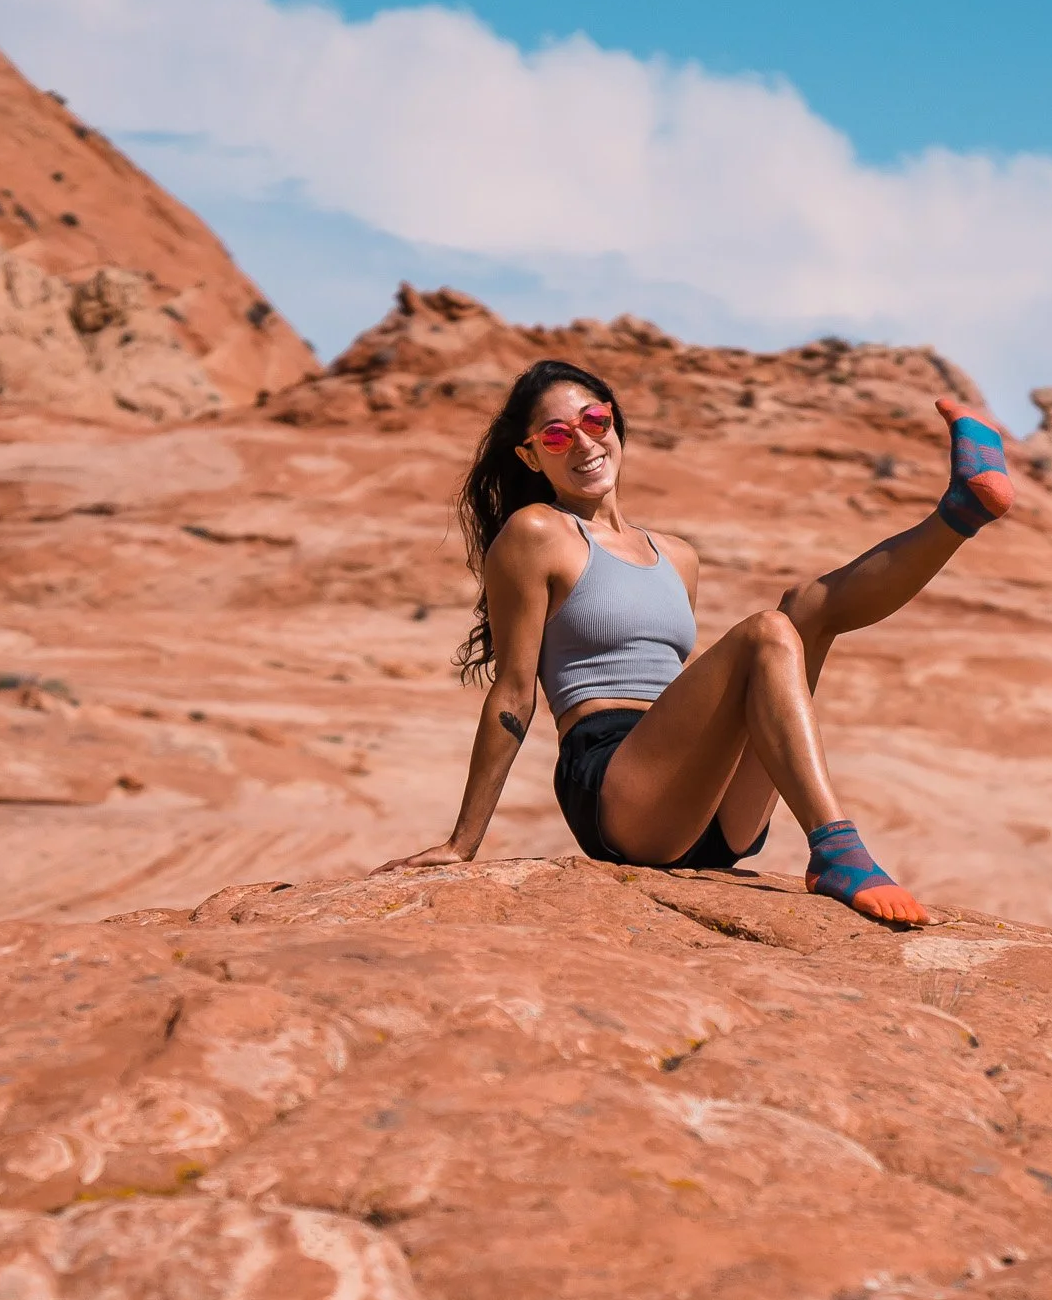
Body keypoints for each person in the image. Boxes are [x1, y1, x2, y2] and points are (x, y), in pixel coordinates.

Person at [376, 357, 1014, 924]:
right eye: (556, 435)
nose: (583, 443)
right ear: (529, 455)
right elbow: (514, 693)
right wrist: (463, 843)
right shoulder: (536, 532)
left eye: (594, 420)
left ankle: (959, 512)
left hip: (709, 812)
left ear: (616, 424)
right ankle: (837, 850)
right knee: (768, 632)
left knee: (803, 610)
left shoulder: (677, 556)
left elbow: (691, 697)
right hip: (617, 792)